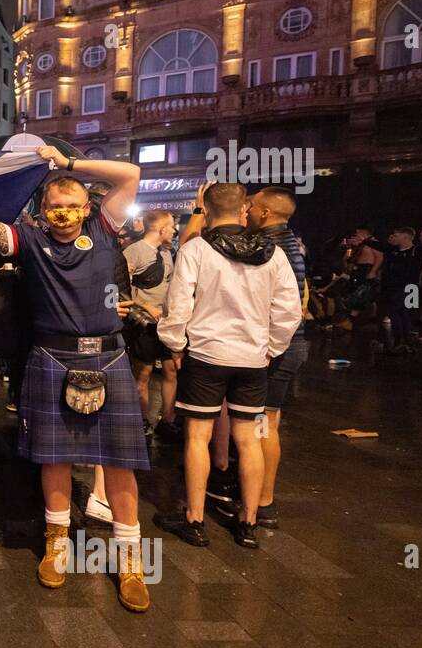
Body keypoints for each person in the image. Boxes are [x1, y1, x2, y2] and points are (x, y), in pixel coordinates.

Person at [0, 146, 153, 612]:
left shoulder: (104, 228)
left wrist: (68, 164)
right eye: (54, 207)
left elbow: (131, 173)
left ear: (86, 208)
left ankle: (131, 561)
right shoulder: (28, 240)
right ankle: (57, 545)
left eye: (72, 206)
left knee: (120, 463)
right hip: (51, 356)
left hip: (108, 356)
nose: (63, 215)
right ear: (43, 211)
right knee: (54, 458)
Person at [155, 182, 302, 550]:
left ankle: (195, 519)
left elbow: (179, 306)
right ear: (242, 210)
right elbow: (289, 310)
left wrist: (175, 345)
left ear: (205, 207)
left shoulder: (197, 250)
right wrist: (271, 348)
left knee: (197, 438)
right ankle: (248, 522)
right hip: (252, 360)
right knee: (250, 440)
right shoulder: (275, 254)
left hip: (206, 356)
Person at [247, 187, 308, 530]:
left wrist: (270, 348)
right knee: (270, 420)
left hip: (279, 346)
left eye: (252, 206)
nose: (249, 212)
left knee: (263, 424)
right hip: (290, 344)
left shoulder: (270, 246)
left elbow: (285, 309)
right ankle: (259, 492)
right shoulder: (291, 241)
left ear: (266, 213)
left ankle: (263, 499)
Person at [122, 209, 179, 442]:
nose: (174, 230)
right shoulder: (133, 251)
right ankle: (142, 420)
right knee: (143, 373)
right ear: (161, 229)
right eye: (172, 226)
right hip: (143, 324)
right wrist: (145, 306)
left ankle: (168, 419)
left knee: (171, 370)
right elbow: (121, 286)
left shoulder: (167, 253)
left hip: (166, 323)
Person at [380, 227, 422, 354]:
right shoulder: (393, 250)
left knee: (398, 311)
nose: (393, 238)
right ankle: (405, 341)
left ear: (405, 237)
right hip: (393, 286)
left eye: (396, 236)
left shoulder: (417, 250)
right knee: (399, 312)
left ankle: (400, 339)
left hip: (409, 286)